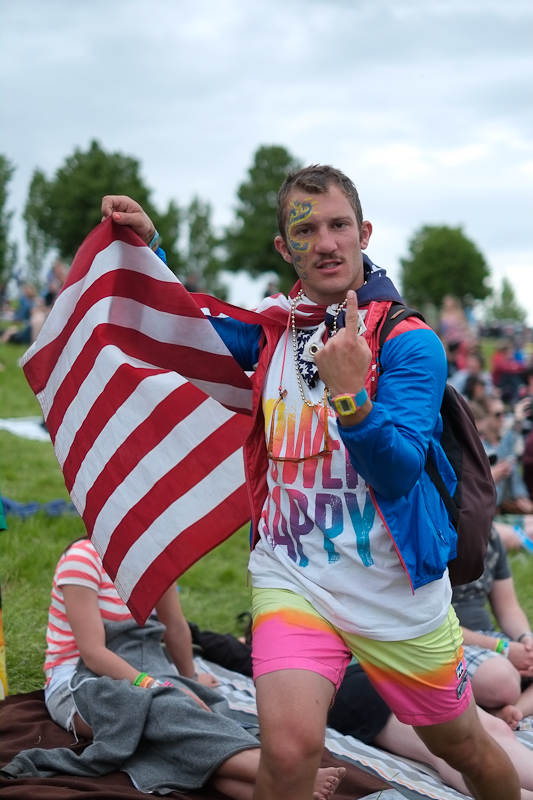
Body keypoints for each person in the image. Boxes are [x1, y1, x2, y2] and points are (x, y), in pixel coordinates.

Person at [102, 164, 521, 800]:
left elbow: (398, 471)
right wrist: (148, 248)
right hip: (292, 578)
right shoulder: (274, 332)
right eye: (306, 230)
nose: (325, 243)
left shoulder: (409, 343)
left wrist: (351, 397)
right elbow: (187, 325)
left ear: (364, 233)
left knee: (464, 746)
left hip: (395, 594)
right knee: (290, 750)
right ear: (284, 247)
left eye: (338, 225)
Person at [42, 536, 344, 800]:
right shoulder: (83, 558)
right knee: (164, 709)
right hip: (80, 684)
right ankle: (287, 775)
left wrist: (189, 678)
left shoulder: (151, 561)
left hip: (140, 669)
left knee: (191, 721)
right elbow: (94, 654)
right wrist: (159, 686)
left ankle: (272, 792)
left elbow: (175, 627)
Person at [452, 525, 533, 729]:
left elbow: (508, 608)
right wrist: (502, 648)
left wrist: (526, 640)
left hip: (486, 638)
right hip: (447, 641)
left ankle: (512, 712)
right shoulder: (431, 531)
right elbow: (432, 624)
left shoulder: (490, 534)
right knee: (502, 680)